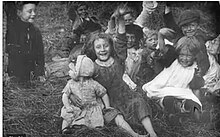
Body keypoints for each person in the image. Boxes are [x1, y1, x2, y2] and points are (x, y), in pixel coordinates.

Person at [142, 36, 204, 123]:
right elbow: (163, 50)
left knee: (192, 101)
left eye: (189, 56)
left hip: (183, 91)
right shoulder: (172, 62)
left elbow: (196, 88)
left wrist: (198, 101)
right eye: (182, 55)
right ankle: (176, 113)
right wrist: (160, 35)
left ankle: (191, 111)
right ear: (177, 54)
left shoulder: (194, 69)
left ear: (194, 56)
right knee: (168, 100)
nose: (184, 59)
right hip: (165, 89)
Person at [61, 55, 110, 131]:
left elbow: (103, 94)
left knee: (94, 118)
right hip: (76, 107)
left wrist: (107, 107)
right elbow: (65, 95)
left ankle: (84, 126)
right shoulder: (71, 83)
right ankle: (65, 129)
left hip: (90, 107)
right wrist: (67, 106)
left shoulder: (93, 83)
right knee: (67, 114)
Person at [5, 1, 45, 83]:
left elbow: (40, 54)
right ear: (19, 13)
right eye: (29, 11)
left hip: (31, 71)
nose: (33, 14)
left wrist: (40, 73)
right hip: (15, 72)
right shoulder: (12, 30)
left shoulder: (35, 31)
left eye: (34, 11)